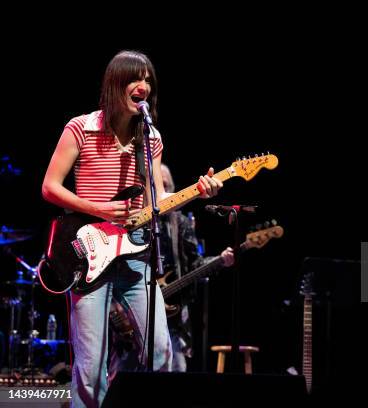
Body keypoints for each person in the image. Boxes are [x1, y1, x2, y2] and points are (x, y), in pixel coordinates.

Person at [41, 50, 223, 407]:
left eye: (149, 80)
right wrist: (99, 208)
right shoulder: (81, 128)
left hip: (135, 253)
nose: (144, 86)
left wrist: (199, 192)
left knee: (161, 354)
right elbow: (50, 187)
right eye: (135, 78)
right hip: (89, 252)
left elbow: (158, 201)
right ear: (115, 84)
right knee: (91, 368)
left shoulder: (150, 139)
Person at [157, 163, 234, 372]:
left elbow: (195, 264)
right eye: (156, 186)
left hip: (174, 322)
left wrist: (220, 260)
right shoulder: (136, 222)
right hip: (132, 321)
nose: (160, 189)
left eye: (165, 186)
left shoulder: (180, 223)